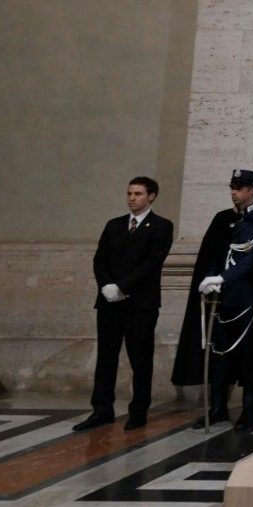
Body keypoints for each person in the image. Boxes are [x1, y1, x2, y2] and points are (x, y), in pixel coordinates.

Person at [170, 169, 253, 430]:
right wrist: (209, 279)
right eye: (233, 187)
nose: (234, 192)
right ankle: (218, 407)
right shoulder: (222, 220)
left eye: (240, 188)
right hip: (221, 301)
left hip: (250, 299)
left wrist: (224, 277)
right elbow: (211, 255)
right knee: (219, 354)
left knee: (250, 355)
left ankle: (249, 409)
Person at [75, 177, 174, 432]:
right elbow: (100, 259)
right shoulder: (114, 225)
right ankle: (102, 410)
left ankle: (138, 410)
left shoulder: (161, 226)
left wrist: (122, 287)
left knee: (140, 358)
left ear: (151, 196)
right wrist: (106, 285)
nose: (132, 198)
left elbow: (153, 262)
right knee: (106, 358)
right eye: (129, 193)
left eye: (138, 193)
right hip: (109, 302)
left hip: (141, 304)